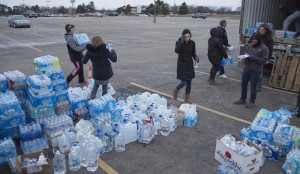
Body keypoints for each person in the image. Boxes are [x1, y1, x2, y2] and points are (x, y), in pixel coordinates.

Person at [234, 33, 269, 108]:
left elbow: (264, 61)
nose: (253, 41)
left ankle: (252, 101)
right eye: (252, 39)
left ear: (259, 40)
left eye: (255, 40)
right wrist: (244, 57)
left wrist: (252, 57)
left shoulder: (264, 48)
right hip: (247, 69)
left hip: (256, 70)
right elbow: (245, 53)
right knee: (243, 84)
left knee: (253, 86)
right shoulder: (250, 46)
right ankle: (242, 99)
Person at [173, 29, 199, 104]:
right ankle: (176, 90)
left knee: (189, 83)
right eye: (185, 37)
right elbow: (177, 50)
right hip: (182, 65)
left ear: (190, 36)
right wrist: (182, 42)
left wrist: (196, 58)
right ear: (183, 37)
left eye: (188, 37)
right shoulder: (179, 43)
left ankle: (186, 99)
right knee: (184, 82)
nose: (187, 38)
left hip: (189, 65)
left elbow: (193, 53)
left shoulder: (192, 43)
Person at [253, 24, 274, 92]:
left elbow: (270, 49)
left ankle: (258, 87)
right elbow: (251, 43)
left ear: (266, 31)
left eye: (262, 29)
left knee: (259, 72)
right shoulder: (256, 35)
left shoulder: (269, 39)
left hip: (262, 57)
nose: (260, 30)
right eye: (260, 29)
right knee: (252, 71)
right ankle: (253, 84)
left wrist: (268, 58)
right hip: (254, 56)